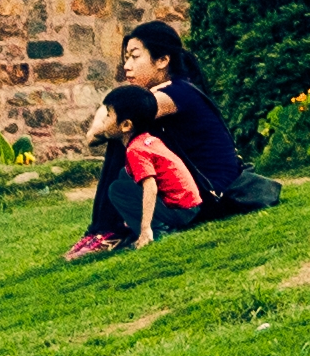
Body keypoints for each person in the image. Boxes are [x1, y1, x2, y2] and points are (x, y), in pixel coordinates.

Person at [117, 21, 270, 216]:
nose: (127, 66)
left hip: (213, 193)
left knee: (122, 132)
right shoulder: (175, 90)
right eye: (126, 58)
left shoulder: (177, 93)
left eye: (135, 57)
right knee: (127, 159)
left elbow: (117, 118)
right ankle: (110, 228)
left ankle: (104, 230)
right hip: (202, 191)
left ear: (162, 60)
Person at [65, 89, 205, 259]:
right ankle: (140, 226)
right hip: (190, 206)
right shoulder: (147, 140)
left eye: (108, 115)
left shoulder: (135, 150)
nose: (104, 119)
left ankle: (157, 232)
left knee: (116, 190)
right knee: (125, 175)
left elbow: (151, 187)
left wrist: (145, 228)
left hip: (181, 210)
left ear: (126, 125)